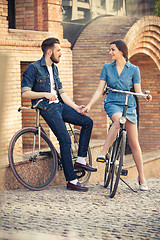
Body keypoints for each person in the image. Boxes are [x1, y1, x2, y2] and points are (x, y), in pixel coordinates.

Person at [21, 37, 97, 192]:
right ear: (49, 52)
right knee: (65, 139)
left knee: (87, 122)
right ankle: (72, 180)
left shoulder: (54, 68)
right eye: (58, 50)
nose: (60, 53)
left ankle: (81, 160)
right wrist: (45, 94)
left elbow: (62, 93)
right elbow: (25, 93)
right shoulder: (34, 68)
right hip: (46, 107)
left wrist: (76, 107)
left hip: (59, 106)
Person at [82, 40, 152, 191]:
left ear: (121, 51)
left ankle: (141, 177)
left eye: (112, 50)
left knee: (134, 143)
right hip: (112, 102)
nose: (110, 52)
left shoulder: (134, 69)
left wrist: (145, 97)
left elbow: (138, 91)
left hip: (129, 105)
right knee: (118, 120)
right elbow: (100, 90)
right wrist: (89, 105)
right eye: (110, 50)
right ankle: (103, 152)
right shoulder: (107, 68)